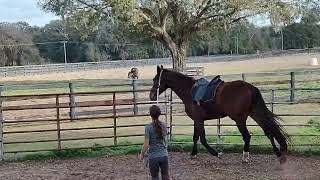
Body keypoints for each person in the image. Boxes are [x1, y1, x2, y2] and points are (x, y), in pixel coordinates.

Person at [140, 105, 170, 180]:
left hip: (153, 157)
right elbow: (165, 140)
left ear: (150, 115)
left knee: (155, 177)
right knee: (166, 176)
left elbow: (146, 145)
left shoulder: (148, 127)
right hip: (164, 155)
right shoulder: (163, 125)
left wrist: (142, 154)